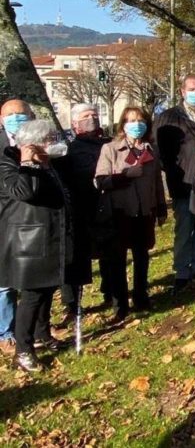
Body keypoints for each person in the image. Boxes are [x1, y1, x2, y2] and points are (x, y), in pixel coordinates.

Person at [0, 120, 72, 372]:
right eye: (48, 139)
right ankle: (23, 350)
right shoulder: (10, 162)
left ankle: (43, 334)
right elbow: (25, 192)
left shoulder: (49, 164)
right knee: (31, 296)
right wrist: (28, 162)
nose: (53, 143)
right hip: (28, 241)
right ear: (32, 144)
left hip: (51, 236)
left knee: (47, 289)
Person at [95, 107, 167, 322]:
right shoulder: (110, 149)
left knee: (142, 256)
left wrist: (161, 208)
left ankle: (141, 295)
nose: (136, 124)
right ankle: (120, 304)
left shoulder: (151, 150)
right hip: (119, 212)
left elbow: (156, 183)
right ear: (123, 124)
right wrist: (124, 176)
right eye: (131, 120)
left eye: (140, 120)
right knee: (118, 260)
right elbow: (100, 181)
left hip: (145, 211)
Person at [154, 74, 195, 294]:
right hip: (183, 183)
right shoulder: (168, 117)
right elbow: (158, 150)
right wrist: (174, 170)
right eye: (191, 89)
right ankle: (181, 271)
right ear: (182, 91)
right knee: (184, 227)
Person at [59, 104, 112, 327]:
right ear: (74, 123)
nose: (91, 119)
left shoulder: (108, 144)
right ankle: (72, 304)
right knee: (76, 260)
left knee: (110, 253)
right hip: (79, 209)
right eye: (85, 116)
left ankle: (111, 292)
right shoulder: (67, 148)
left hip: (107, 206)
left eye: (94, 115)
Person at [0, 99, 34, 355]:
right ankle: (6, 331)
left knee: (31, 279)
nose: (16, 118)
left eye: (21, 114)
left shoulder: (42, 140)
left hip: (33, 219)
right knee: (4, 281)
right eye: (10, 115)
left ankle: (33, 330)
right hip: (4, 218)